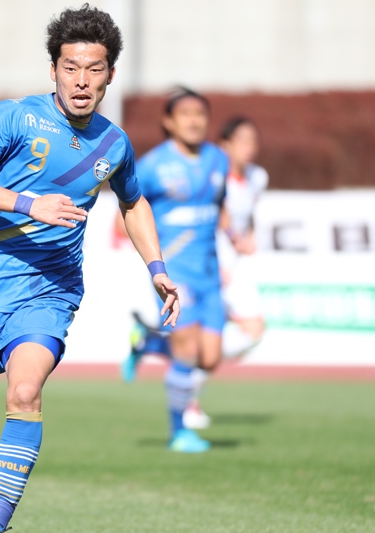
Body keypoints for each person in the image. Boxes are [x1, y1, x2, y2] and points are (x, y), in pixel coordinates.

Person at [0, 5, 180, 532]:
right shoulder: (14, 116)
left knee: (24, 393)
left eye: (94, 69)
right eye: (71, 67)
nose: (81, 80)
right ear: (53, 69)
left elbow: (133, 203)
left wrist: (156, 267)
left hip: (50, 291)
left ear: (109, 74)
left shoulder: (114, 143)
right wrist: (27, 203)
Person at [122, 87, 240, 453]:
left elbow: (220, 206)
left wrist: (234, 236)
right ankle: (179, 432)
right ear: (169, 122)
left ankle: (149, 342)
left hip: (209, 272)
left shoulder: (218, 159)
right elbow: (129, 210)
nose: (194, 121)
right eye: (185, 114)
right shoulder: (152, 166)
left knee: (210, 357)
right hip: (175, 274)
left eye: (200, 114)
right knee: (187, 350)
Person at [217, 116, 267, 358]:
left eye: (253, 141)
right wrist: (218, 261)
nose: (249, 147)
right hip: (214, 254)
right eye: (242, 140)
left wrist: (250, 237)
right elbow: (219, 214)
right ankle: (151, 342)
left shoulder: (257, 176)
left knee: (254, 331)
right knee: (197, 333)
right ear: (225, 144)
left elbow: (251, 213)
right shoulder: (214, 175)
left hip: (237, 260)